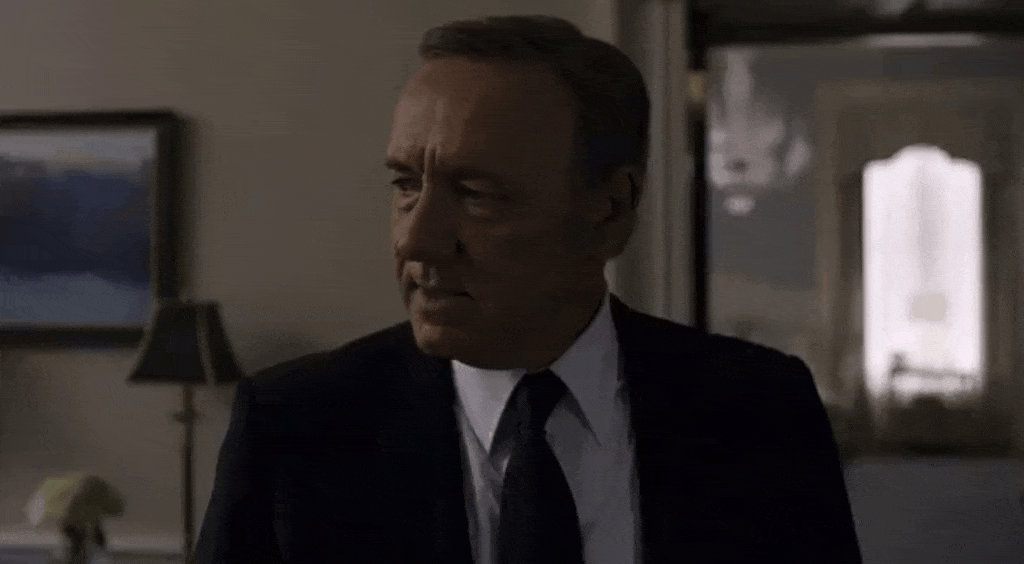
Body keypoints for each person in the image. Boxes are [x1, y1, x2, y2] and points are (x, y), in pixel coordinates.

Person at [195, 15, 862, 564]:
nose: (417, 241)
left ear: (609, 210)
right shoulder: (297, 429)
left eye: (476, 194)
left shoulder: (758, 412)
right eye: (405, 185)